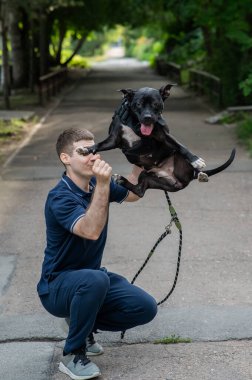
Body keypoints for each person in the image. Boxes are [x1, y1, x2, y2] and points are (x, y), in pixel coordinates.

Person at [37, 128, 157, 380]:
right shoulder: (60, 196)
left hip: (89, 280)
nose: (93, 156)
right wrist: (104, 184)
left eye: (95, 150)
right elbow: (90, 230)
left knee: (145, 308)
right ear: (65, 158)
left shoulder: (94, 184)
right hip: (56, 286)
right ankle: (73, 354)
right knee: (95, 279)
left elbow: (134, 194)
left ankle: (82, 323)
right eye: (84, 152)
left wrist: (139, 162)